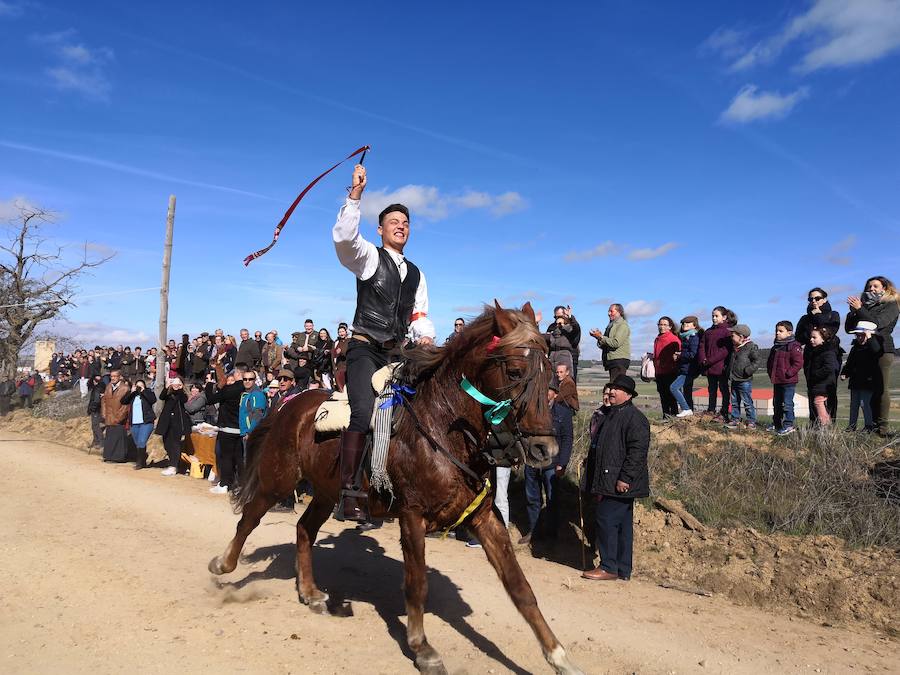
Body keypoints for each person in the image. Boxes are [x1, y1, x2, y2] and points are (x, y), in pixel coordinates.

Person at [332, 162, 436, 522]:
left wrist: (426, 339)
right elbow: (344, 240)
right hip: (364, 349)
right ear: (381, 229)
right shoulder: (368, 257)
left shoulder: (417, 273)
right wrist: (355, 195)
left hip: (396, 353)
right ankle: (347, 492)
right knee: (363, 413)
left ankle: (397, 485)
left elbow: (418, 315)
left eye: (405, 222)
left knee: (416, 415)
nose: (401, 226)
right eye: (394, 221)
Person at [582, 375, 650, 581]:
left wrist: (625, 478)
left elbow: (637, 452)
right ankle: (622, 569)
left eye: (616, 389)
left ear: (628, 395)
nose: (611, 392)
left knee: (606, 519)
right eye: (611, 388)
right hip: (609, 478)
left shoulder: (635, 418)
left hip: (618, 482)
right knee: (622, 526)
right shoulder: (611, 414)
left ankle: (608, 566)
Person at [845, 276, 898, 435]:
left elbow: (878, 323)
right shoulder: (865, 305)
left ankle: (883, 427)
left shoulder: (891, 304)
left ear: (885, 288)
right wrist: (853, 312)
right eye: (869, 286)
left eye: (875, 286)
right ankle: (872, 426)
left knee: (881, 388)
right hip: (864, 350)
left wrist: (860, 309)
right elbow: (849, 329)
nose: (871, 289)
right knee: (872, 389)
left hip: (882, 349)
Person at [205, 363, 249, 494]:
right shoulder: (248, 388)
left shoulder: (231, 389)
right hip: (241, 428)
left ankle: (225, 484)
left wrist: (209, 384)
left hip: (228, 427)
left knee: (226, 457)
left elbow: (211, 399)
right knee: (239, 458)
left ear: (238, 373)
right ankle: (240, 484)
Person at [841, 321, 884, 433]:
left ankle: (869, 425)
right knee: (854, 405)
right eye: (858, 335)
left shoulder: (873, 346)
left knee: (865, 404)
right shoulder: (855, 348)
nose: (859, 338)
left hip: (868, 381)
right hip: (855, 381)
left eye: (862, 335)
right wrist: (845, 372)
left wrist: (870, 338)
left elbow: (877, 352)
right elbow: (850, 363)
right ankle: (852, 426)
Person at [766, 321, 804, 436]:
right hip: (777, 380)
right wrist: (771, 373)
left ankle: (788, 425)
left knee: (787, 403)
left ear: (789, 333)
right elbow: (770, 362)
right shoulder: (775, 347)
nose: (777, 333)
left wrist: (789, 373)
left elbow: (798, 362)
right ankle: (776, 423)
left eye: (781, 331)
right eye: (776, 331)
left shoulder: (794, 346)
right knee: (776, 403)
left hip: (788, 381)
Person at [698, 306, 736, 420]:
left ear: (724, 317)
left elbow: (725, 350)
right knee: (712, 389)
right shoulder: (708, 331)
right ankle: (711, 409)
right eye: (712, 316)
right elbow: (702, 346)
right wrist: (703, 359)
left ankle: (724, 411)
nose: (714, 318)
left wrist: (710, 360)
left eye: (716, 316)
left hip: (721, 366)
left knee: (724, 389)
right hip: (708, 367)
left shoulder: (728, 331)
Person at [724, 324, 761, 430]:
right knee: (734, 401)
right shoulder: (734, 347)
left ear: (741, 336)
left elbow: (757, 361)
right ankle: (735, 419)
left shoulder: (751, 347)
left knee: (747, 401)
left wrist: (748, 370)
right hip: (734, 378)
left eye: (733, 335)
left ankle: (751, 421)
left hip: (744, 380)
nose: (731, 337)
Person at [803, 327, 840, 427]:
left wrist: (816, 374)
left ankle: (825, 425)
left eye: (814, 337)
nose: (811, 339)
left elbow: (831, 367)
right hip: (819, 384)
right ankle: (824, 425)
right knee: (819, 404)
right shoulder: (816, 352)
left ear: (823, 338)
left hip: (824, 384)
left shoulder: (828, 352)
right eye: (811, 337)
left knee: (818, 402)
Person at [156, 377, 191, 476]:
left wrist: (179, 389)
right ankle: (172, 463)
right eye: (174, 382)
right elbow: (162, 397)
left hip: (177, 422)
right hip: (167, 421)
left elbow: (184, 400)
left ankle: (173, 466)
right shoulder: (169, 393)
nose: (175, 385)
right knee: (166, 442)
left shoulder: (182, 394)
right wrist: (167, 387)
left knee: (175, 443)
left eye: (177, 383)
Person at [589, 303, 631, 381]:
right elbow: (604, 345)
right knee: (614, 384)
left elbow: (616, 343)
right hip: (612, 360)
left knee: (616, 385)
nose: (609, 313)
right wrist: (598, 337)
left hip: (619, 360)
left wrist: (601, 337)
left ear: (619, 312)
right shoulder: (611, 326)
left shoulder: (622, 325)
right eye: (609, 311)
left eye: (611, 311)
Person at [122, 379, 157, 470]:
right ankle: (143, 461)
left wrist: (143, 391)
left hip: (146, 422)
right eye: (137, 385)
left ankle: (139, 462)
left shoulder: (148, 392)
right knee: (138, 443)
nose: (139, 387)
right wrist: (131, 392)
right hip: (134, 423)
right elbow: (123, 401)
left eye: (141, 385)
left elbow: (153, 400)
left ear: (144, 386)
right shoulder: (133, 395)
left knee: (142, 441)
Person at [671, 316, 702, 418]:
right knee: (687, 391)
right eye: (684, 323)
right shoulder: (686, 337)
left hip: (689, 370)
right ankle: (690, 412)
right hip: (685, 368)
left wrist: (680, 355)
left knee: (674, 387)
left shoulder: (694, 337)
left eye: (688, 323)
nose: (685, 325)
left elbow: (693, 354)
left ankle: (686, 409)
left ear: (694, 325)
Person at [652, 316, 680, 418]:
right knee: (663, 395)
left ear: (670, 327)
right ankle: (665, 416)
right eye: (660, 324)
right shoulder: (657, 338)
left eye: (665, 325)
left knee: (671, 395)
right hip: (659, 371)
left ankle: (674, 415)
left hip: (670, 371)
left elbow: (678, 355)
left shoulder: (673, 339)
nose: (662, 327)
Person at [101, 370, 130, 462]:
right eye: (111, 376)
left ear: (119, 377)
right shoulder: (108, 387)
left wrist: (119, 417)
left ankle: (118, 457)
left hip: (119, 417)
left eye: (115, 376)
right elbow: (104, 401)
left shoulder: (125, 388)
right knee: (110, 437)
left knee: (119, 438)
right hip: (109, 416)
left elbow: (126, 405)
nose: (113, 378)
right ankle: (108, 456)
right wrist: (104, 413)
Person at [545, 305, 581, 380]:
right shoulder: (552, 327)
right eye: (556, 317)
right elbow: (547, 341)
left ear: (565, 315)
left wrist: (569, 318)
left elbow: (576, 329)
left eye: (560, 316)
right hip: (553, 357)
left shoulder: (571, 326)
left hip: (570, 357)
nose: (558, 318)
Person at [86, 374, 104, 447]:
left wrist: (91, 409)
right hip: (97, 409)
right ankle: (96, 441)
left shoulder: (97, 389)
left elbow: (96, 401)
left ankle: (100, 442)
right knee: (94, 426)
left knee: (95, 426)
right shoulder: (100, 387)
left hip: (96, 410)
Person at [332, 323, 350, 391]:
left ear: (346, 332)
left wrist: (342, 352)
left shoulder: (350, 341)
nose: (341, 333)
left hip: (349, 367)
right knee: (341, 387)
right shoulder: (336, 342)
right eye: (339, 332)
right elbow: (333, 355)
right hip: (339, 368)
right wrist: (336, 352)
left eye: (342, 331)